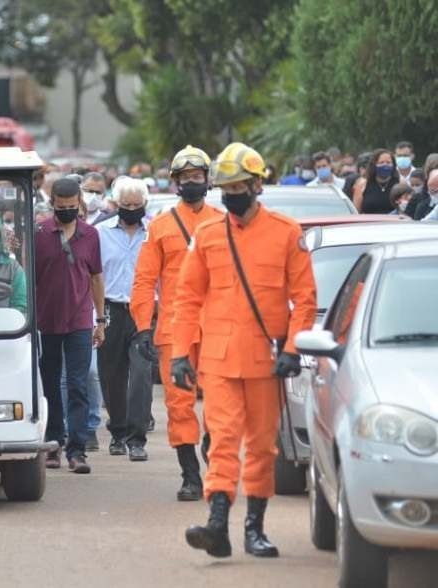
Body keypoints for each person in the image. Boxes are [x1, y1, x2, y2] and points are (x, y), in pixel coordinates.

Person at [172, 142, 316, 559]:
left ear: (257, 185)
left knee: (261, 446)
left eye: (239, 186)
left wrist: (292, 348)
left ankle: (255, 528)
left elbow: (304, 299)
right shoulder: (207, 235)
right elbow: (187, 298)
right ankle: (218, 524)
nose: (231, 194)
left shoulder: (287, 233)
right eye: (226, 187)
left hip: (266, 362)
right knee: (222, 440)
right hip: (218, 361)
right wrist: (182, 352)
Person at [130, 145, 224, 500]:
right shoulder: (161, 227)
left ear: (207, 180)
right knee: (179, 403)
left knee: (219, 401)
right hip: (174, 330)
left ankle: (214, 450)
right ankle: (190, 476)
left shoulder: (222, 222)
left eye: (197, 178)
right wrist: (142, 326)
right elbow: (143, 280)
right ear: (175, 183)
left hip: (218, 328)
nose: (191, 184)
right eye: (185, 179)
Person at [34, 178, 106, 474]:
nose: (67, 212)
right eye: (61, 207)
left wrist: (100, 320)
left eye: (72, 208)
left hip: (79, 320)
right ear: (52, 204)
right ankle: (53, 444)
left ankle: (77, 450)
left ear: (80, 205)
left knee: (78, 384)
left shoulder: (90, 235)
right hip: (46, 321)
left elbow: (96, 278)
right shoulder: (39, 233)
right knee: (49, 384)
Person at [95, 177, 152, 461]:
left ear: (145, 204)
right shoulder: (101, 233)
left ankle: (137, 438)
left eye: (136, 205)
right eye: (126, 205)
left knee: (142, 374)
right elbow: (94, 275)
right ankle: (117, 433)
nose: (131, 209)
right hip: (111, 310)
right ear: (116, 205)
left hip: (145, 310)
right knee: (112, 375)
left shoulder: (154, 232)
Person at [352, 149, 399, 214]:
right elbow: (356, 212)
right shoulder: (362, 185)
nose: (385, 165)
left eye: (388, 162)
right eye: (381, 162)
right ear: (374, 165)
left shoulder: (399, 184)